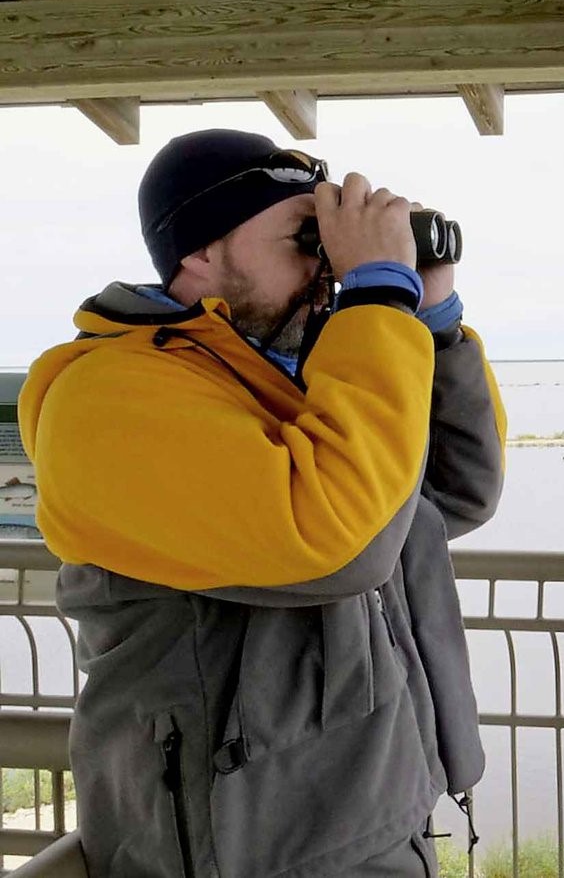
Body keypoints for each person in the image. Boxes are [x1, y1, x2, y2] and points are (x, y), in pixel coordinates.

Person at [18, 129, 506, 877]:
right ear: (200, 252)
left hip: (369, 812)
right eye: (304, 239)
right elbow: (340, 545)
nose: (325, 269)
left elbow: (448, 493)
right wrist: (375, 293)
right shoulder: (107, 397)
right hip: (244, 846)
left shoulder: (285, 377)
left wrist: (429, 316)